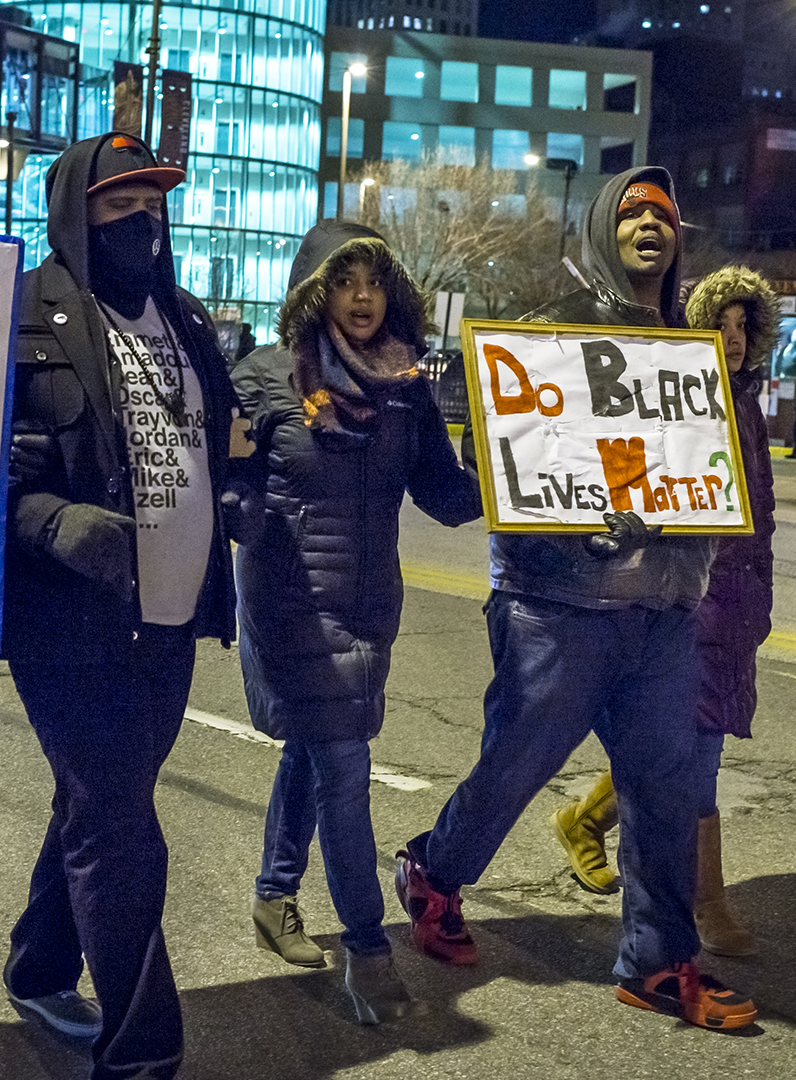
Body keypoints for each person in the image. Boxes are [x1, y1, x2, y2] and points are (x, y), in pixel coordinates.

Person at [391, 167, 758, 1033]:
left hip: (664, 612)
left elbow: (707, 473)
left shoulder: (692, 350)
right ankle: (434, 872)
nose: (649, 225)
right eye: (631, 213)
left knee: (664, 792)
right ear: (602, 229)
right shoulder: (548, 335)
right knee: (514, 769)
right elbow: (504, 467)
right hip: (555, 608)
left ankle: (658, 962)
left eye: (663, 215)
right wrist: (574, 527)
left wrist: (687, 526)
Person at [0, 131, 238, 1078]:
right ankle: (143, 1052)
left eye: (154, 204)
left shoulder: (186, 319)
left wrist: (243, 496)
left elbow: (217, 444)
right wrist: (49, 518)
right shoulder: (23, 312)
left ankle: (39, 963)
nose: (144, 220)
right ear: (76, 214)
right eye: (121, 205)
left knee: (100, 802)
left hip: (172, 616)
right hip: (69, 620)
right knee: (120, 829)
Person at [232, 219, 481, 1022]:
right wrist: (231, 507)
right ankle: (367, 951)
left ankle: (274, 894)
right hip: (289, 604)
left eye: (375, 281)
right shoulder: (265, 377)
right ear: (314, 291)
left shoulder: (404, 385)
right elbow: (225, 477)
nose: (362, 296)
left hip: (370, 608)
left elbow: (445, 496)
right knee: (343, 766)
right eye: (344, 281)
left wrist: (512, 467)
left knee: (315, 748)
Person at [551, 266, 780, 959]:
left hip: (734, 602)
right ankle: (704, 902)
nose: (733, 338)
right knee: (695, 755)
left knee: (682, 745)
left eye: (744, 326)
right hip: (684, 595)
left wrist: (758, 598)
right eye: (721, 323)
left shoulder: (747, 404)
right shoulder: (674, 398)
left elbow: (759, 516)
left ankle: (586, 822)